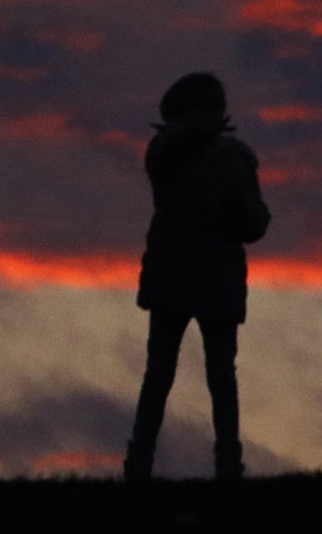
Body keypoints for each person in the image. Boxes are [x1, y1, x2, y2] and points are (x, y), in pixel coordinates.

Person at [124, 73, 271, 481]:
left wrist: (240, 208)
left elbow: (254, 224)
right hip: (174, 277)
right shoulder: (167, 152)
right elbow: (161, 159)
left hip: (216, 279)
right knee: (161, 375)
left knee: (220, 377)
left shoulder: (234, 157)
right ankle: (140, 466)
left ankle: (228, 465)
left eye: (213, 106)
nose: (208, 114)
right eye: (200, 106)